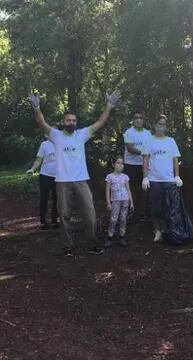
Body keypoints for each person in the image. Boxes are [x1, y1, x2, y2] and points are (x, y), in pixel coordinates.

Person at [29, 90, 121, 256]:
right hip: (62, 181)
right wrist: (36, 108)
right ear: (63, 122)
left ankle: (92, 244)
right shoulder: (56, 136)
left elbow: (100, 123)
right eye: (68, 120)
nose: (71, 122)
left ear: (76, 122)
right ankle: (68, 247)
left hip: (81, 180)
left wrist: (109, 105)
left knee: (90, 214)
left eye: (74, 120)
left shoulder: (81, 134)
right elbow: (42, 124)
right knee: (64, 215)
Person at [141, 115, 183, 243]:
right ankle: (157, 231)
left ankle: (166, 229)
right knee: (155, 207)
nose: (161, 126)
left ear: (166, 127)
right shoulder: (149, 141)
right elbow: (145, 160)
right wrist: (145, 178)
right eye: (159, 124)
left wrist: (176, 175)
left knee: (169, 206)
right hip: (154, 179)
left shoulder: (171, 141)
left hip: (169, 179)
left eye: (163, 124)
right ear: (154, 125)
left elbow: (175, 159)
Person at [122, 110, 151, 218]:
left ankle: (143, 213)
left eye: (140, 118)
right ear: (133, 120)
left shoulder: (148, 133)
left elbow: (151, 147)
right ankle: (130, 213)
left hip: (144, 165)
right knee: (131, 190)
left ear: (143, 120)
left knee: (144, 189)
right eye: (136, 118)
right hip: (131, 165)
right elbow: (130, 148)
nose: (138, 120)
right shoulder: (128, 133)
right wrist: (144, 152)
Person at [26, 139, 59, 230]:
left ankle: (55, 221)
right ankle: (43, 221)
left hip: (59, 177)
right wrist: (32, 169)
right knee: (44, 198)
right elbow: (38, 159)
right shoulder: (44, 144)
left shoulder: (62, 142)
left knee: (57, 199)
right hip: (45, 175)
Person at [104, 157, 134, 248]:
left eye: (122, 163)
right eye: (118, 163)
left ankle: (122, 236)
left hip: (125, 199)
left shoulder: (125, 177)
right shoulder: (110, 177)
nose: (120, 165)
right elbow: (107, 190)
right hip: (115, 200)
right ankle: (110, 237)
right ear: (113, 164)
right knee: (113, 219)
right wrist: (108, 203)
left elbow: (128, 189)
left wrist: (131, 202)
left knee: (123, 218)